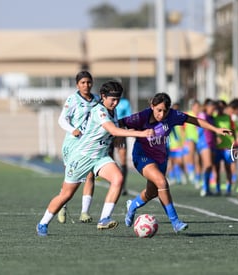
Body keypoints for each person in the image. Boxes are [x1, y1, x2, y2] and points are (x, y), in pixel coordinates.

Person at [36, 81, 154, 236]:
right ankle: (43, 223)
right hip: (82, 157)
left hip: (100, 158)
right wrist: (141, 133)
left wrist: (117, 138)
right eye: (112, 99)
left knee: (118, 178)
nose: (115, 102)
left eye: (118, 99)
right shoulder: (99, 110)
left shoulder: (113, 110)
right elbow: (112, 129)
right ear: (103, 97)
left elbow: (113, 131)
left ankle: (104, 218)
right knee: (66, 195)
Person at [121, 93, 232, 232]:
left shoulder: (173, 115)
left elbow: (194, 120)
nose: (162, 114)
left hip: (160, 158)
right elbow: (118, 123)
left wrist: (216, 129)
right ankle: (175, 222)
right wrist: (118, 137)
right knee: (162, 182)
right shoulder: (141, 117)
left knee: (152, 192)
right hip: (142, 156)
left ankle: (132, 206)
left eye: (165, 110)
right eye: (158, 110)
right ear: (152, 106)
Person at [57, 71, 99, 224]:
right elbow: (62, 120)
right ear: (77, 85)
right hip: (73, 143)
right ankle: (62, 205)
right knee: (71, 176)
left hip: (88, 144)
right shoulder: (72, 99)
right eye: (82, 83)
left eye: (88, 82)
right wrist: (72, 130)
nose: (86, 85)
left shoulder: (97, 100)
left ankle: (84, 212)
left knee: (90, 175)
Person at [109, 95, 132, 195]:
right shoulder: (106, 101)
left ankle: (123, 186)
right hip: (108, 132)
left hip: (121, 132)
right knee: (109, 159)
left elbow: (128, 117)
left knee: (123, 159)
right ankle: (114, 182)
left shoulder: (125, 102)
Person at [197, 99, 218, 197]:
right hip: (204, 143)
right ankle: (204, 187)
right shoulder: (202, 115)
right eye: (212, 108)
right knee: (208, 165)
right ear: (206, 107)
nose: (213, 110)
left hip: (212, 144)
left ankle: (207, 188)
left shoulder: (212, 117)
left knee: (210, 167)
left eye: (214, 109)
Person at [213, 100, 234, 196]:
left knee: (228, 169)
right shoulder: (214, 118)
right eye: (219, 107)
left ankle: (228, 189)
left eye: (222, 107)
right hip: (217, 148)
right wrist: (216, 137)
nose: (220, 109)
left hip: (227, 147)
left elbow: (234, 130)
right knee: (216, 169)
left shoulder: (228, 118)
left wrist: (235, 140)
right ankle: (217, 189)